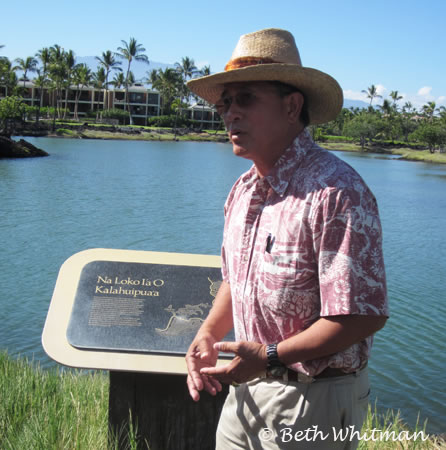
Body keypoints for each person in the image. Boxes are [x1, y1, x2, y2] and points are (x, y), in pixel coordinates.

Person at [185, 28, 388, 450]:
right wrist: (206, 333)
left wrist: (270, 356)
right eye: (225, 103)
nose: (230, 114)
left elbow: (362, 315)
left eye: (245, 99)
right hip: (246, 394)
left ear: (292, 105)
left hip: (315, 401)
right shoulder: (242, 191)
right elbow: (235, 279)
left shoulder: (336, 192)